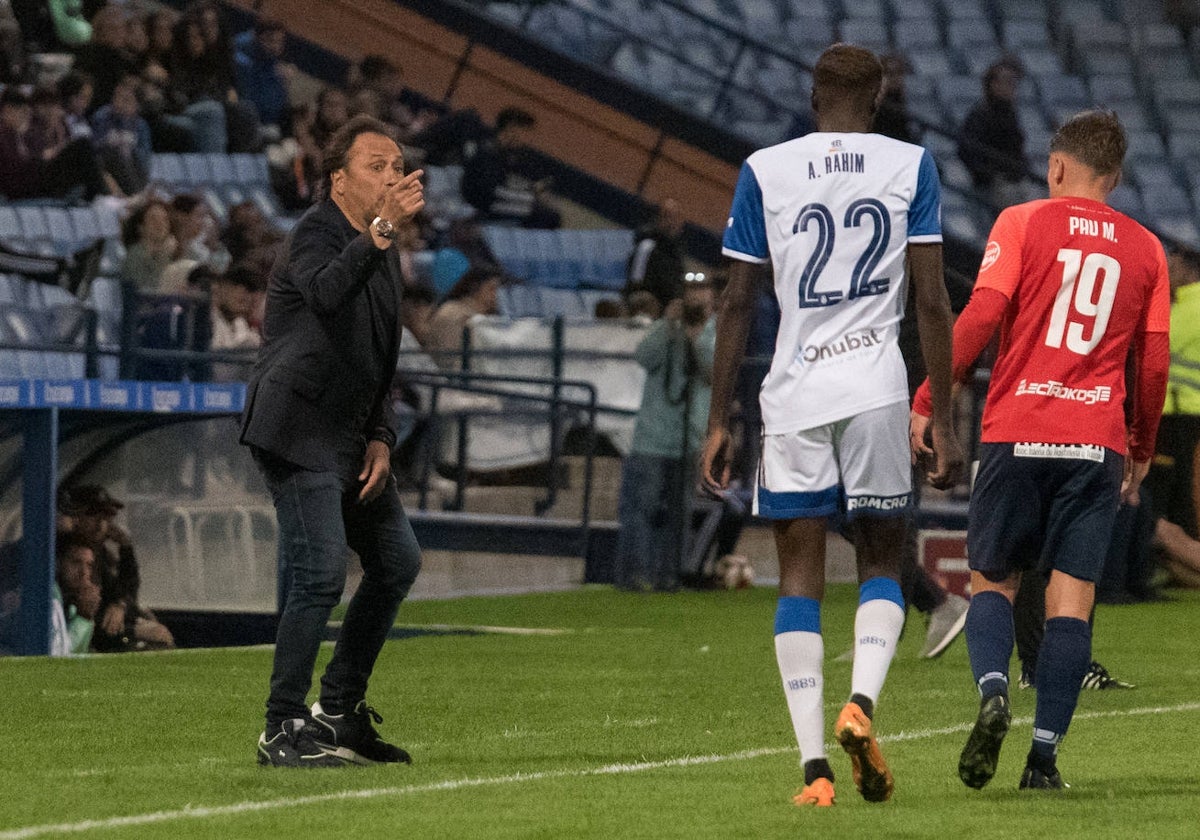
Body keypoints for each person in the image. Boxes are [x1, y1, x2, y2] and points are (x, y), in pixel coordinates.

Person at [700, 44, 963, 808]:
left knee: (799, 578)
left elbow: (737, 303)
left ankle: (813, 769)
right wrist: (940, 417)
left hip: (793, 393)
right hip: (877, 386)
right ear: (878, 99)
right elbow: (932, 302)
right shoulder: (910, 166)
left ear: (812, 97)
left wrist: (719, 418)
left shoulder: (765, 170)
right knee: (883, 556)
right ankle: (864, 706)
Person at [911, 109, 1170, 791]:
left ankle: (994, 690)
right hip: (1096, 443)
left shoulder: (1021, 223)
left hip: (1018, 428)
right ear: (1113, 178)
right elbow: (1152, 364)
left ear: (1057, 166)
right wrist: (1141, 443)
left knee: (993, 582)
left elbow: (982, 316)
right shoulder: (1146, 249)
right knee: (1071, 599)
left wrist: (931, 401)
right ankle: (1044, 759)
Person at [239, 114, 426, 768]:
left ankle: (340, 711)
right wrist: (379, 233)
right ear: (339, 180)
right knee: (319, 572)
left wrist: (381, 435)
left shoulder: (384, 248)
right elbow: (323, 293)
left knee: (398, 560)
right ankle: (280, 726)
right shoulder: (315, 232)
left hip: (348, 434)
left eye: (398, 165)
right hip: (297, 425)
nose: (393, 176)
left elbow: (381, 354)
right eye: (377, 165)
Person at [615, 275, 716, 592]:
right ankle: (634, 574)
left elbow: (712, 371)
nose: (695, 298)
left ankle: (669, 575)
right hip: (653, 436)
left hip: (688, 436)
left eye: (701, 290)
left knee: (679, 513)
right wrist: (668, 325)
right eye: (690, 291)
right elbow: (644, 357)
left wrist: (696, 336)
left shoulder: (714, 331)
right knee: (641, 508)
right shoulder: (665, 327)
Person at [58, 484, 175, 652]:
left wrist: (126, 548)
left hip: (101, 634)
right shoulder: (63, 554)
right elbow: (77, 616)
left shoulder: (99, 554)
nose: (101, 523)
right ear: (75, 517)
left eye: (107, 516)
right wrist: (132, 630)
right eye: (93, 514)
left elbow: (123, 593)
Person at [1146, 246, 1200, 536]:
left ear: (1189, 267)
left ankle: (1178, 549)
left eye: (1174, 265)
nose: (1169, 270)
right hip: (1183, 412)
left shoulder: (1192, 306)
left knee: (1178, 489)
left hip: (1183, 413)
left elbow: (1157, 339)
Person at [460, 106, 561, 229]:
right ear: (511, 129)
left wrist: (530, 191)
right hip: (484, 203)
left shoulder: (504, 153)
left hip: (493, 199)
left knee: (546, 212)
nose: (526, 141)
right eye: (524, 133)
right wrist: (531, 197)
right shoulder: (488, 152)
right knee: (546, 215)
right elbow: (491, 190)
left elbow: (504, 184)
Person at [958, 57, 1031, 212]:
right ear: (992, 84)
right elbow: (967, 151)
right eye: (1006, 81)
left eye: (1013, 82)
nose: (1011, 86)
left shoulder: (1011, 115)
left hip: (1015, 179)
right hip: (993, 183)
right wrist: (990, 175)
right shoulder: (979, 115)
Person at [424, 265, 502, 369]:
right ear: (475, 288)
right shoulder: (452, 314)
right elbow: (451, 361)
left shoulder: (490, 317)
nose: (497, 295)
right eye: (492, 289)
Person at [624, 198, 686, 311]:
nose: (673, 222)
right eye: (668, 217)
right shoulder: (646, 247)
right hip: (648, 308)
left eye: (677, 218)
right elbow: (636, 285)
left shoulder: (675, 250)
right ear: (658, 219)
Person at [53, 532, 101, 656]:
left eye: (89, 565)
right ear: (58, 563)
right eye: (76, 563)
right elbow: (60, 655)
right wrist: (83, 616)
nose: (84, 572)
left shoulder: (74, 602)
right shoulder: (50, 594)